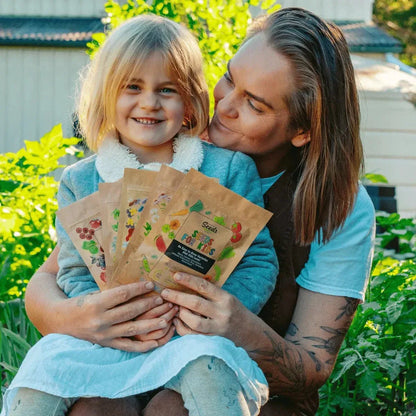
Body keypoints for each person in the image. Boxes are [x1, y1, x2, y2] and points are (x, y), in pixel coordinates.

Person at [18, 7, 374, 416]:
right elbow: (56, 276)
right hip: (121, 351)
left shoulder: (335, 204)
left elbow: (311, 368)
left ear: (303, 129)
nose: (223, 108)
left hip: (252, 386)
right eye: (228, 78)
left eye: (255, 105)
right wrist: (84, 318)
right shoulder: (158, 140)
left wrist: (236, 325)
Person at [1, 14, 278, 416]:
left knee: (211, 371)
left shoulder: (228, 171)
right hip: (110, 338)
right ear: (107, 97)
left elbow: (258, 259)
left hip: (193, 336)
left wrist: (217, 309)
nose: (149, 102)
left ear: (189, 102)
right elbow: (74, 270)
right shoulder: (81, 181)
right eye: (133, 87)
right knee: (42, 373)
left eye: (167, 89)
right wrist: (110, 314)